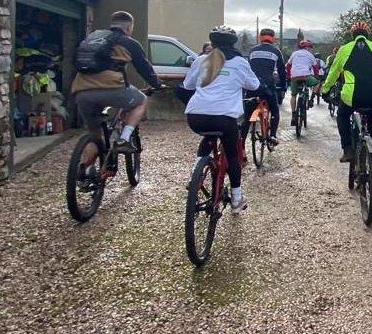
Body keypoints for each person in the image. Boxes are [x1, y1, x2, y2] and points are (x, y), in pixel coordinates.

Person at [183, 26, 260, 214]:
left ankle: (196, 174)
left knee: (208, 137)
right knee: (233, 155)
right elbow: (254, 85)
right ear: (233, 43)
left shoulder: (201, 60)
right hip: (224, 118)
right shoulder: (240, 62)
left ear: (213, 42)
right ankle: (236, 199)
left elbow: (188, 85)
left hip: (195, 117)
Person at [72, 11, 164, 165]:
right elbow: (144, 68)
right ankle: (124, 139)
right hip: (112, 88)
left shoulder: (93, 38)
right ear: (128, 28)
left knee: (95, 136)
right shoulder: (128, 42)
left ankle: (83, 171)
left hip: (82, 92)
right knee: (141, 101)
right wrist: (157, 84)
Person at [320, 21, 372, 191]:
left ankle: (348, 149)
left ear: (353, 35)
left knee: (343, 116)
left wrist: (325, 90)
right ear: (368, 35)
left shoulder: (344, 49)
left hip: (352, 98)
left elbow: (334, 73)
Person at [243, 28, 287, 146]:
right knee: (274, 110)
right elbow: (282, 72)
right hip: (268, 85)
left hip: (253, 86)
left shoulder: (252, 51)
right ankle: (272, 135)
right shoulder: (276, 51)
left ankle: (241, 144)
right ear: (273, 38)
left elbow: (248, 68)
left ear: (260, 37)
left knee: (247, 116)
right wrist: (283, 86)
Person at [286, 39, 320, 124]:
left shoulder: (294, 54)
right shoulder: (310, 55)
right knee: (318, 83)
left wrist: (289, 76)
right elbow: (315, 67)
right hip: (306, 76)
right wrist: (316, 76)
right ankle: (311, 99)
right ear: (308, 47)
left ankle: (293, 115)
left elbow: (288, 65)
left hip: (294, 76)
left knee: (293, 95)